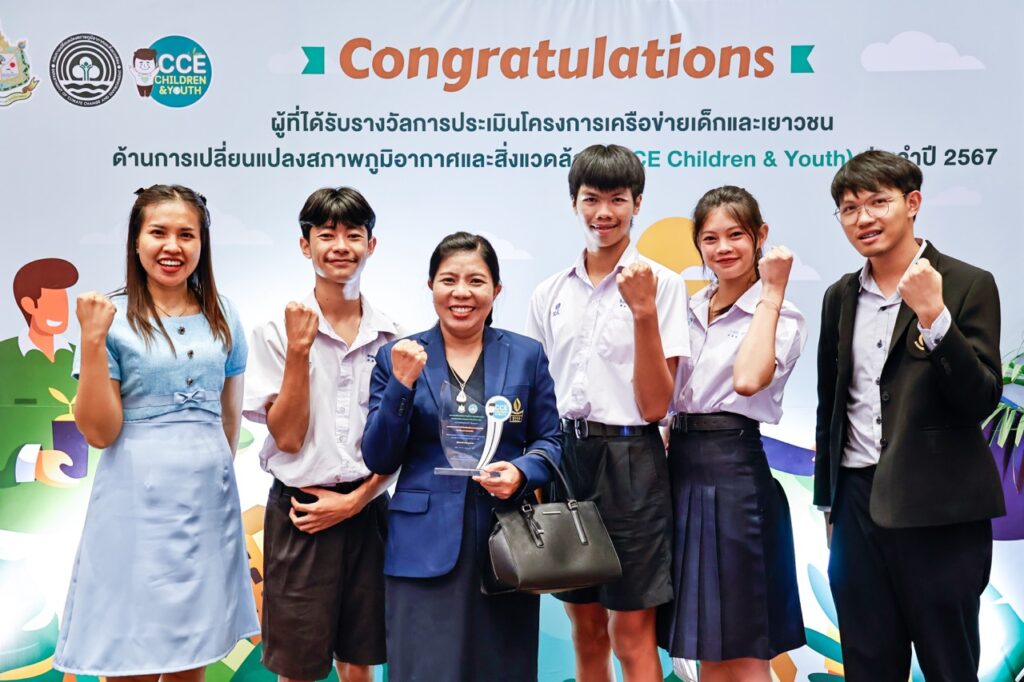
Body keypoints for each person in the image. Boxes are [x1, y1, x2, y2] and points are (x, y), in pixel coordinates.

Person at [53, 185, 259, 679]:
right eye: (158, 232)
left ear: (202, 243)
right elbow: (99, 432)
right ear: (136, 240)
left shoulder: (224, 313)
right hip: (133, 504)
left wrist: (211, 473)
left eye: (186, 234)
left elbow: (228, 418)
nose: (173, 246)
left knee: (194, 648)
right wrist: (92, 338)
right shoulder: (108, 315)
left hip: (206, 505)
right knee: (130, 649)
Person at [815, 150, 1003, 681]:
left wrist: (933, 316)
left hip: (939, 508)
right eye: (850, 209)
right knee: (868, 664)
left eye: (878, 202)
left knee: (949, 664)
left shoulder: (966, 283)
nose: (864, 218)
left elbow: (981, 398)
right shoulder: (839, 296)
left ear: (912, 203)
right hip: (856, 506)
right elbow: (831, 406)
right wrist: (829, 504)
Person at [362, 232, 561, 682]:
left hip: (506, 543)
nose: (462, 292)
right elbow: (379, 457)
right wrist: (401, 384)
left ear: (496, 289)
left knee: (502, 670)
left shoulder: (526, 355)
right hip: (421, 545)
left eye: (476, 280)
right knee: (424, 671)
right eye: (449, 280)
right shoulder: (398, 357)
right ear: (431, 286)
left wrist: (521, 472)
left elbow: (551, 440)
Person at [525, 143, 689, 681]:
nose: (604, 212)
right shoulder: (549, 292)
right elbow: (537, 393)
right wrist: (538, 471)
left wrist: (642, 311)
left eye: (618, 199)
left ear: (638, 203)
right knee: (586, 628)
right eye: (591, 199)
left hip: (632, 459)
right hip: (566, 458)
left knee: (632, 635)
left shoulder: (664, 285)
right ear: (574, 203)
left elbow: (657, 404)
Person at [243, 187, 397, 682]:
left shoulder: (393, 338)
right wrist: (298, 350)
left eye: (354, 235)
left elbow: (399, 442)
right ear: (304, 245)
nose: (341, 246)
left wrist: (355, 502)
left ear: (371, 245)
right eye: (326, 234)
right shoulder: (275, 331)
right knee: (298, 667)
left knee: (360, 659)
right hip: (301, 513)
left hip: (368, 509)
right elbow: (288, 438)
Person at [656, 186, 806, 681]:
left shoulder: (782, 313)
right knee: (706, 644)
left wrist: (772, 292)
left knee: (743, 646)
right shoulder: (687, 306)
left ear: (760, 236)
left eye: (736, 235)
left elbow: (747, 378)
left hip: (735, 473)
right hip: (680, 472)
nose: (723, 248)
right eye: (710, 238)